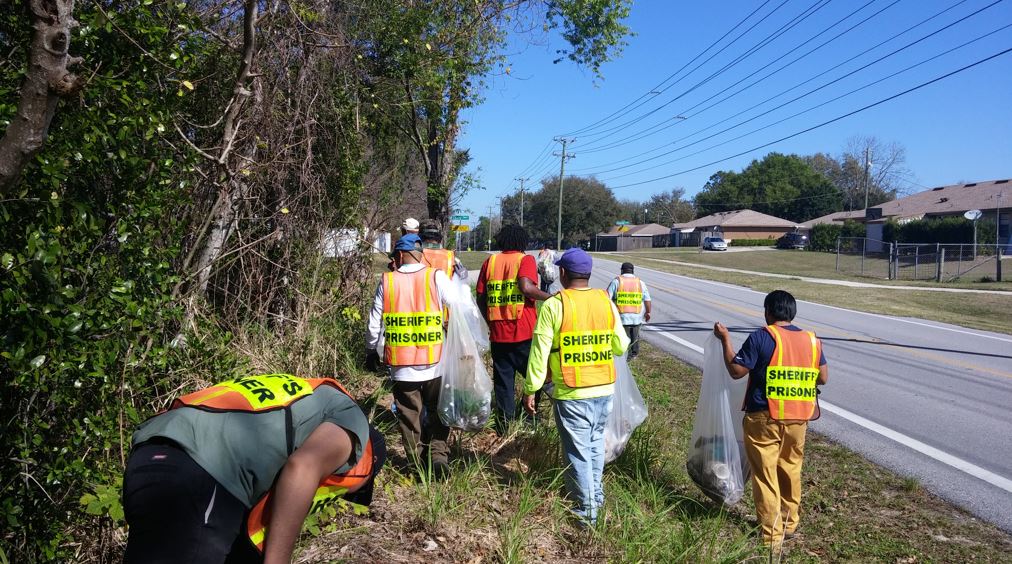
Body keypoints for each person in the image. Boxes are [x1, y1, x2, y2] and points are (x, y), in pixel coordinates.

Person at [122, 374, 385, 564]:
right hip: (203, 474)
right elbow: (303, 467)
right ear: (369, 459)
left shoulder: (304, 397)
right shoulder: (351, 419)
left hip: (149, 453)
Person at [713, 290, 828, 548]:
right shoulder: (812, 341)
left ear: (768, 312)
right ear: (792, 312)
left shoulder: (762, 337)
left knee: (765, 475)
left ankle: (772, 535)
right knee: (790, 469)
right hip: (799, 418)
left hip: (764, 417)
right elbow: (822, 378)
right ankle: (789, 524)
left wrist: (725, 340)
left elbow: (736, 371)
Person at [522, 248, 629, 525]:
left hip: (572, 393)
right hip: (604, 389)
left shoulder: (555, 305)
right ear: (589, 274)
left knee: (578, 455)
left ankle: (586, 514)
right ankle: (596, 500)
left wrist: (531, 388)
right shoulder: (605, 301)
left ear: (562, 273)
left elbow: (539, 353)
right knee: (593, 448)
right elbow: (622, 344)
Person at [366, 234, 454, 478]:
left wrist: (371, 350)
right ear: (420, 253)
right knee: (437, 411)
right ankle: (438, 456)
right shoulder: (435, 277)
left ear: (401, 254)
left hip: (402, 366)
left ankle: (416, 465)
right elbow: (459, 306)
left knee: (409, 417)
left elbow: (374, 323)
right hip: (435, 363)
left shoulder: (388, 281)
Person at [476, 225, 553, 432]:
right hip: (523, 332)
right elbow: (526, 287)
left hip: (498, 334)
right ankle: (527, 417)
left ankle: (505, 426)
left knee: (503, 383)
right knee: (536, 377)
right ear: (522, 242)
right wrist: (552, 298)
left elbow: (481, 298)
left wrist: (490, 321)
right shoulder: (524, 259)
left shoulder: (490, 262)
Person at [605, 262, 652, 360]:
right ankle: (633, 356)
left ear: (622, 270)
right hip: (636, 317)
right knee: (634, 338)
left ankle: (622, 357)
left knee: (621, 340)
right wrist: (648, 312)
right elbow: (647, 300)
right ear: (633, 271)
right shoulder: (640, 283)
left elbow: (607, 298)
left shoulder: (616, 281)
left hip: (621, 317)